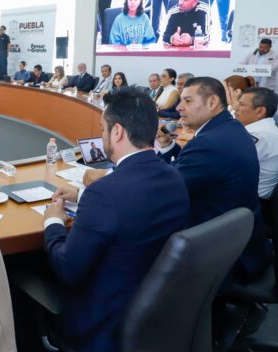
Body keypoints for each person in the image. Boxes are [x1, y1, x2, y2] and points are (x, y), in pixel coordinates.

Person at [43, 89, 189, 351]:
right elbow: (134, 203)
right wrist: (82, 194)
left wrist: (53, 221)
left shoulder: (106, 193)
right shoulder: (173, 177)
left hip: (102, 321)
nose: (101, 137)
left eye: (102, 130)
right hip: (156, 309)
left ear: (118, 132)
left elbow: (68, 270)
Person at [155, 77, 273, 282]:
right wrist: (167, 147)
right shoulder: (228, 129)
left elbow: (163, 190)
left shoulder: (211, 142)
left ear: (212, 102)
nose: (180, 107)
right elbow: (187, 170)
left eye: (188, 101)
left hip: (222, 256)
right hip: (237, 239)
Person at [233, 87, 278, 200]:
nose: (235, 108)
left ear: (260, 111)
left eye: (241, 104)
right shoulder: (262, 129)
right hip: (245, 192)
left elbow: (226, 166)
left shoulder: (260, 135)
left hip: (247, 200)